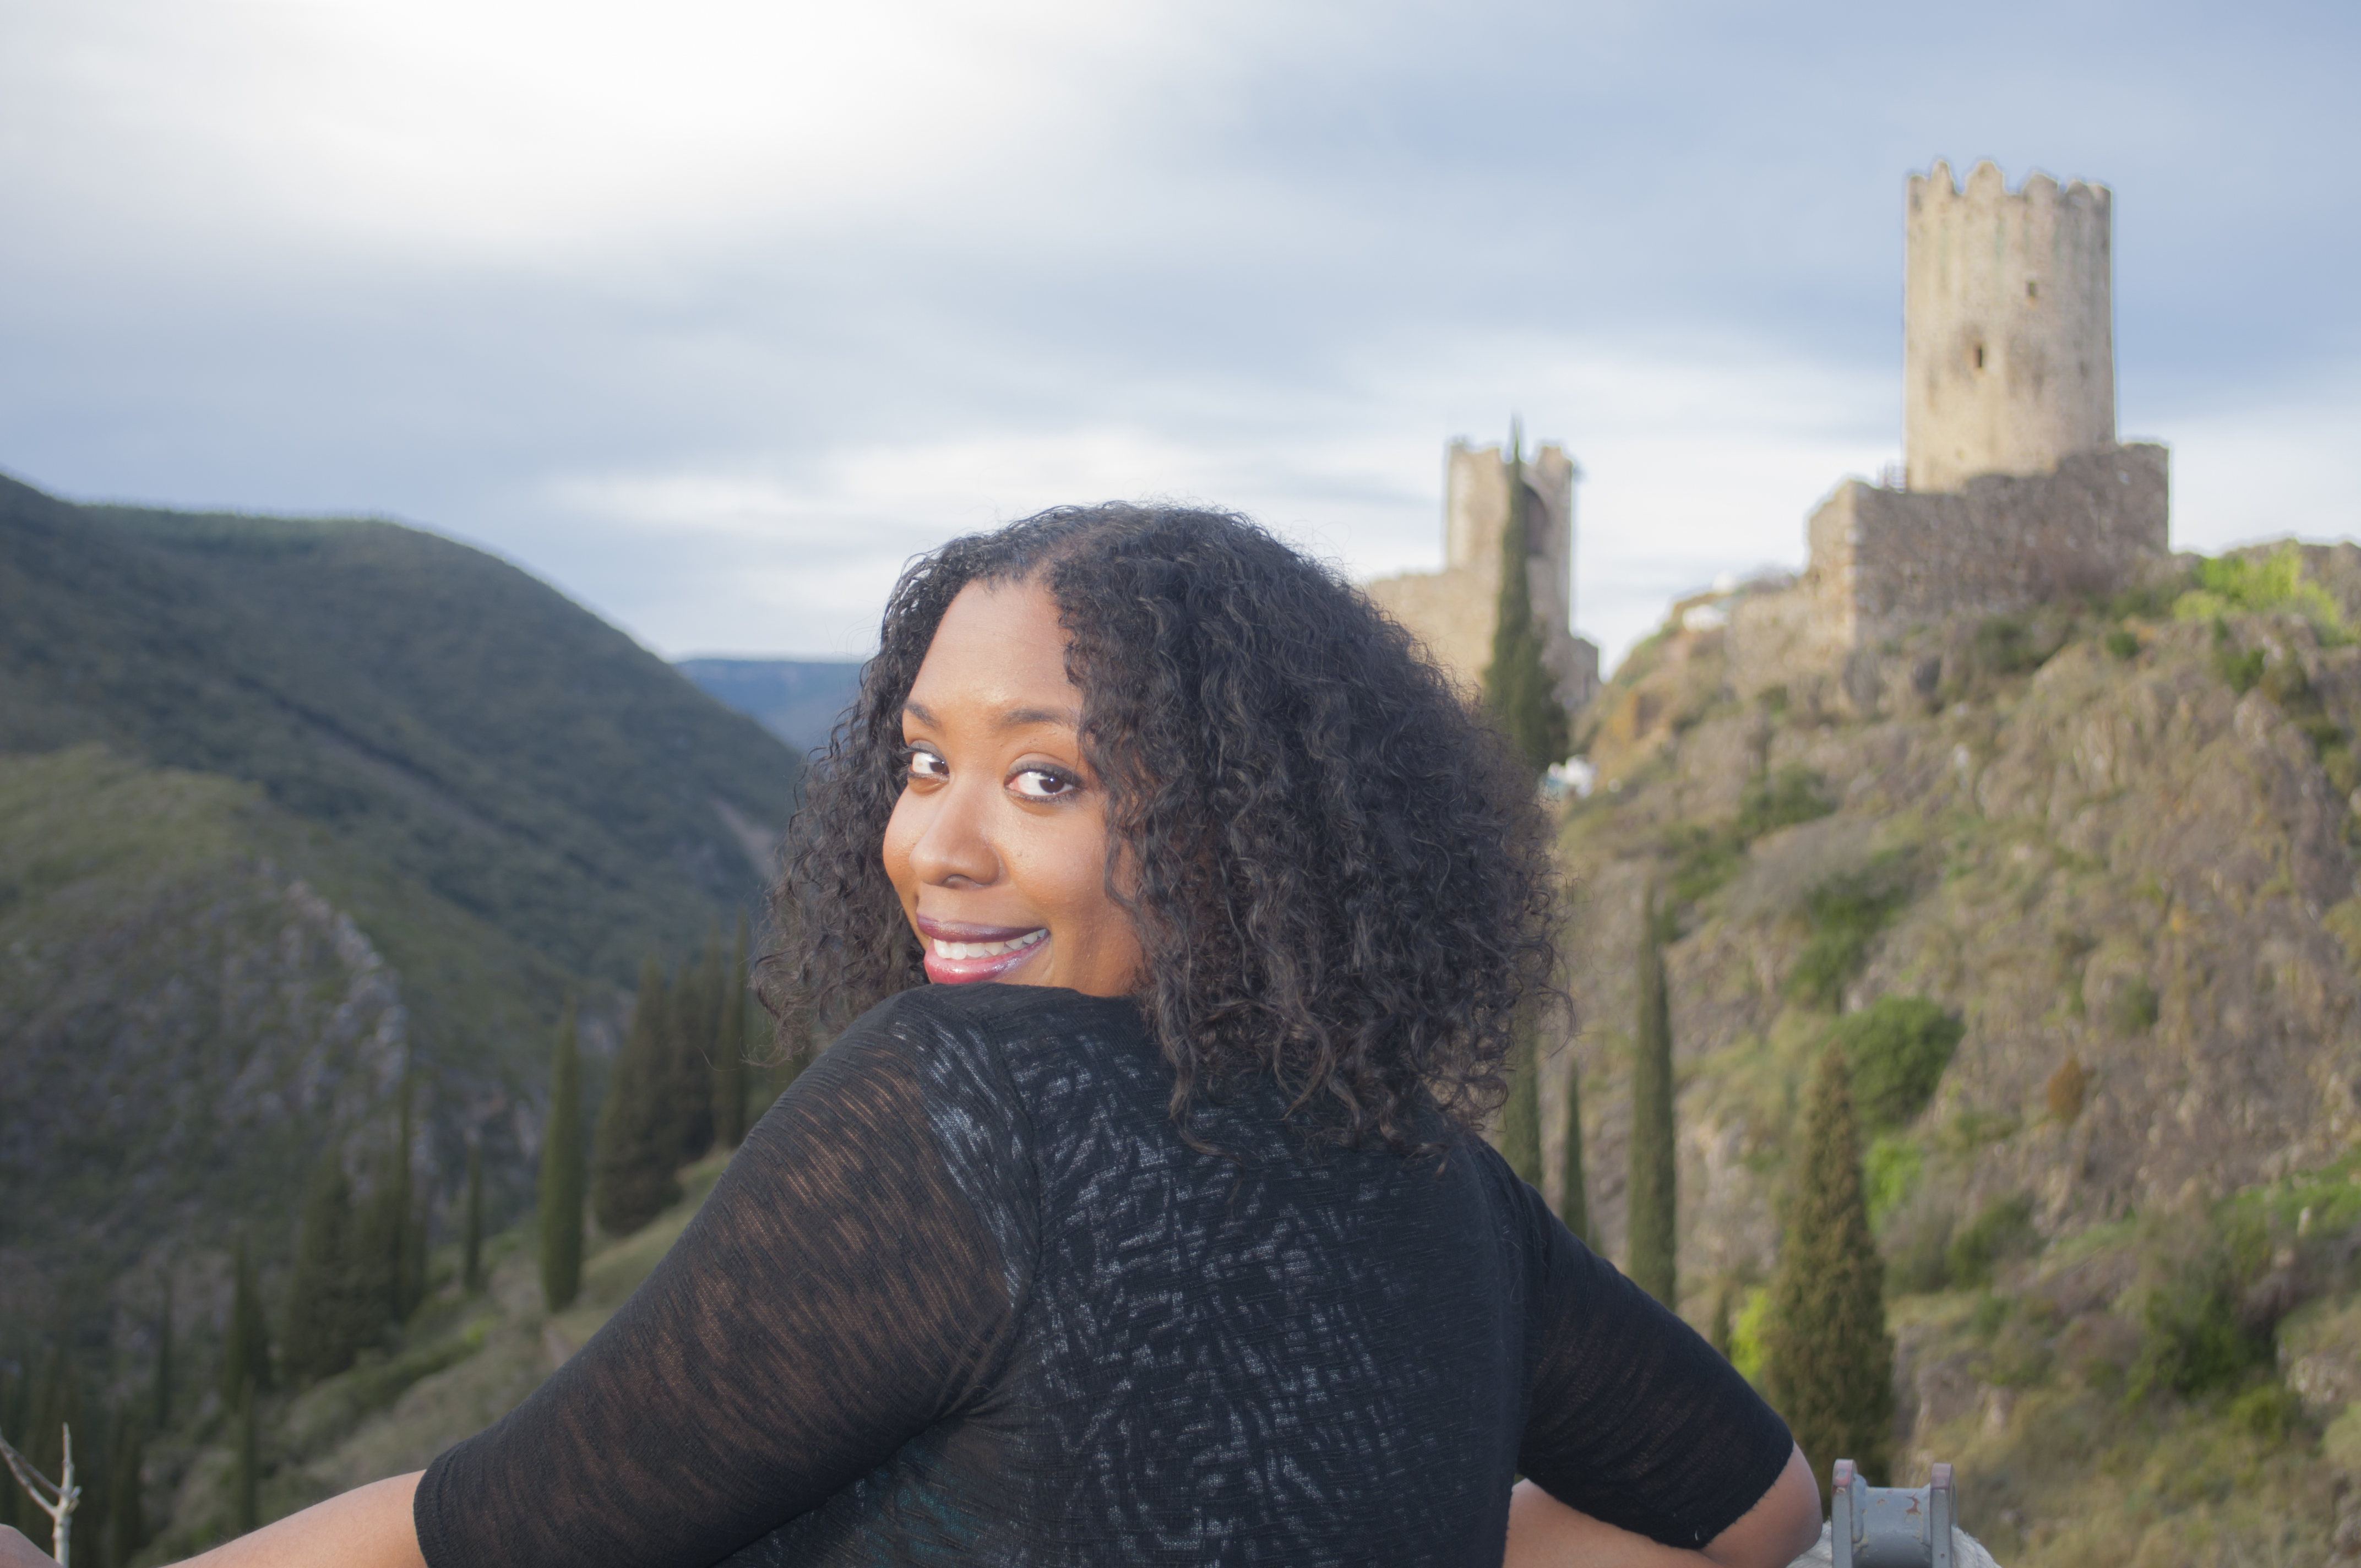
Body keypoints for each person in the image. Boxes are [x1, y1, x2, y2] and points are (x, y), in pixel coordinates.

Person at [2, 504, 1821, 1568]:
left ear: (1246, 830)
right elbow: (1769, 1514)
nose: (932, 846)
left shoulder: (958, 1112)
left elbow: (491, 1539)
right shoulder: (1439, 1183)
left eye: (1046, 778)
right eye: (924, 758)